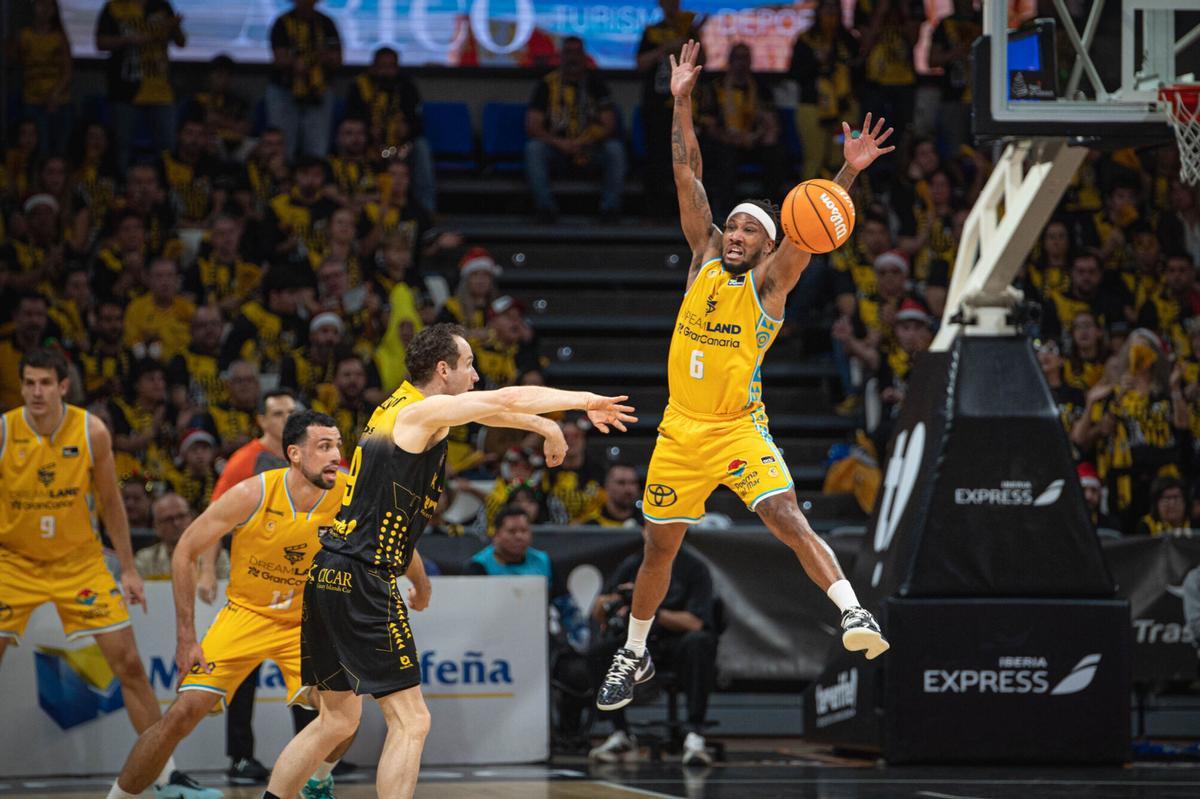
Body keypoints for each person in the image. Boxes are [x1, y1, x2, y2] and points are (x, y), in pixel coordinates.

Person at [596, 41, 891, 715]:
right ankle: (633, 651)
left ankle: (852, 612)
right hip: (679, 430)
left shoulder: (772, 283)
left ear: (767, 243)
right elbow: (685, 169)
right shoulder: (701, 254)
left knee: (785, 514)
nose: (734, 233)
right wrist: (681, 98)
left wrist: (844, 175)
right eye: (730, 225)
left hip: (736, 427)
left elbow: (813, 234)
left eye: (748, 229)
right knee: (657, 549)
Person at [262, 323, 636, 799]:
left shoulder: (400, 411)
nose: (477, 376)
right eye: (468, 366)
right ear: (443, 370)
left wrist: (544, 426)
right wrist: (584, 401)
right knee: (412, 720)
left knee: (336, 720)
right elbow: (503, 401)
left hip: (329, 571)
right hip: (362, 577)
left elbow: (489, 413)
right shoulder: (421, 412)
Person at [1, 349, 214, 798]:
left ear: (63, 386)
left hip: (79, 563)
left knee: (131, 665)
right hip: (14, 564)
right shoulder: (4, 431)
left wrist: (131, 569)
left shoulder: (91, 430)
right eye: (29, 383)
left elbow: (112, 505)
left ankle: (165, 777)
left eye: (45, 383)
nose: (35, 392)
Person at [106, 411, 352, 799]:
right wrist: (186, 636)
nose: (336, 454)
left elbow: (392, 535)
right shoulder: (253, 493)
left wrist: (419, 584)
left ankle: (318, 779)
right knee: (182, 714)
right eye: (324, 446)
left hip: (306, 623)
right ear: (294, 453)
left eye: (338, 444)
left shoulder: (349, 492)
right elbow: (185, 550)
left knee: (344, 714)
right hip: (246, 615)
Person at [589, 546, 718, 765]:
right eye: (648, 527)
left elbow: (696, 623)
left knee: (699, 643)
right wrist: (619, 598)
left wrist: (650, 608)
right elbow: (599, 610)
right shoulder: (632, 564)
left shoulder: (694, 568)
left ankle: (695, 732)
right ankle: (620, 733)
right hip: (642, 642)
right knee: (601, 651)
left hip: (678, 643)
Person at [524, 35, 626, 222]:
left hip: (590, 149)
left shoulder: (597, 84)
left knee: (615, 150)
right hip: (557, 151)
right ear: (561, 56)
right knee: (534, 149)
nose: (573, 58)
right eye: (568, 53)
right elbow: (533, 125)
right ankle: (545, 209)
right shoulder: (547, 84)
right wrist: (560, 143)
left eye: (577, 53)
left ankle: (610, 210)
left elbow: (609, 124)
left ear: (584, 55)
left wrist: (582, 142)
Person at [698, 42, 789, 219]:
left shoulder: (760, 87)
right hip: (725, 142)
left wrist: (754, 137)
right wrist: (733, 139)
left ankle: (770, 214)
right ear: (730, 61)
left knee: (776, 154)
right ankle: (725, 215)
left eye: (745, 58)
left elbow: (771, 122)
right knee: (722, 157)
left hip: (754, 141)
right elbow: (709, 126)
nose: (741, 62)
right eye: (737, 58)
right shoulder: (715, 87)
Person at [94, 0, 186, 174]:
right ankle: (123, 187)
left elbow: (181, 42)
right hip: (126, 90)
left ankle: (164, 189)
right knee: (122, 146)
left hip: (160, 90)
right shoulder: (114, 7)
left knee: (168, 146)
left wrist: (174, 27)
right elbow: (100, 43)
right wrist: (130, 40)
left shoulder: (162, 6)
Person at [346, 46, 436, 213]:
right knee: (352, 139)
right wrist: (369, 133)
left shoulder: (406, 86)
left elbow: (417, 122)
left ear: (397, 67)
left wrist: (407, 130)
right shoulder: (360, 85)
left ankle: (426, 213)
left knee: (421, 147)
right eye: (382, 66)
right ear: (373, 67)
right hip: (369, 144)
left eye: (391, 66)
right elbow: (352, 119)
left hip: (401, 146)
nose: (386, 71)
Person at [267, 0, 342, 159]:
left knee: (317, 147)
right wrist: (296, 63)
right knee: (284, 146)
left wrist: (317, 60)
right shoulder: (282, 22)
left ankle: (315, 178)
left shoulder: (326, 23)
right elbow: (278, 58)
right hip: (285, 90)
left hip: (318, 92)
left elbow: (337, 58)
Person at [16, 0, 73, 156]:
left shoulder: (59, 37)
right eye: (40, 5)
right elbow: (18, 65)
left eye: (48, 6)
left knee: (58, 148)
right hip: (32, 99)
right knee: (36, 150)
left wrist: (55, 94)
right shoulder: (24, 36)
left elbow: (68, 71)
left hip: (58, 101)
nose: (43, 10)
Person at [134, 493, 230, 580]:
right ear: (156, 527)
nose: (176, 523)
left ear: (192, 518)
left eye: (181, 516)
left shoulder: (216, 557)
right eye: (168, 519)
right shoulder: (144, 560)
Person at [578, 463, 644, 527]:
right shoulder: (590, 527)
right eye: (621, 483)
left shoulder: (647, 525)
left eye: (633, 483)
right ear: (607, 486)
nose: (628, 489)